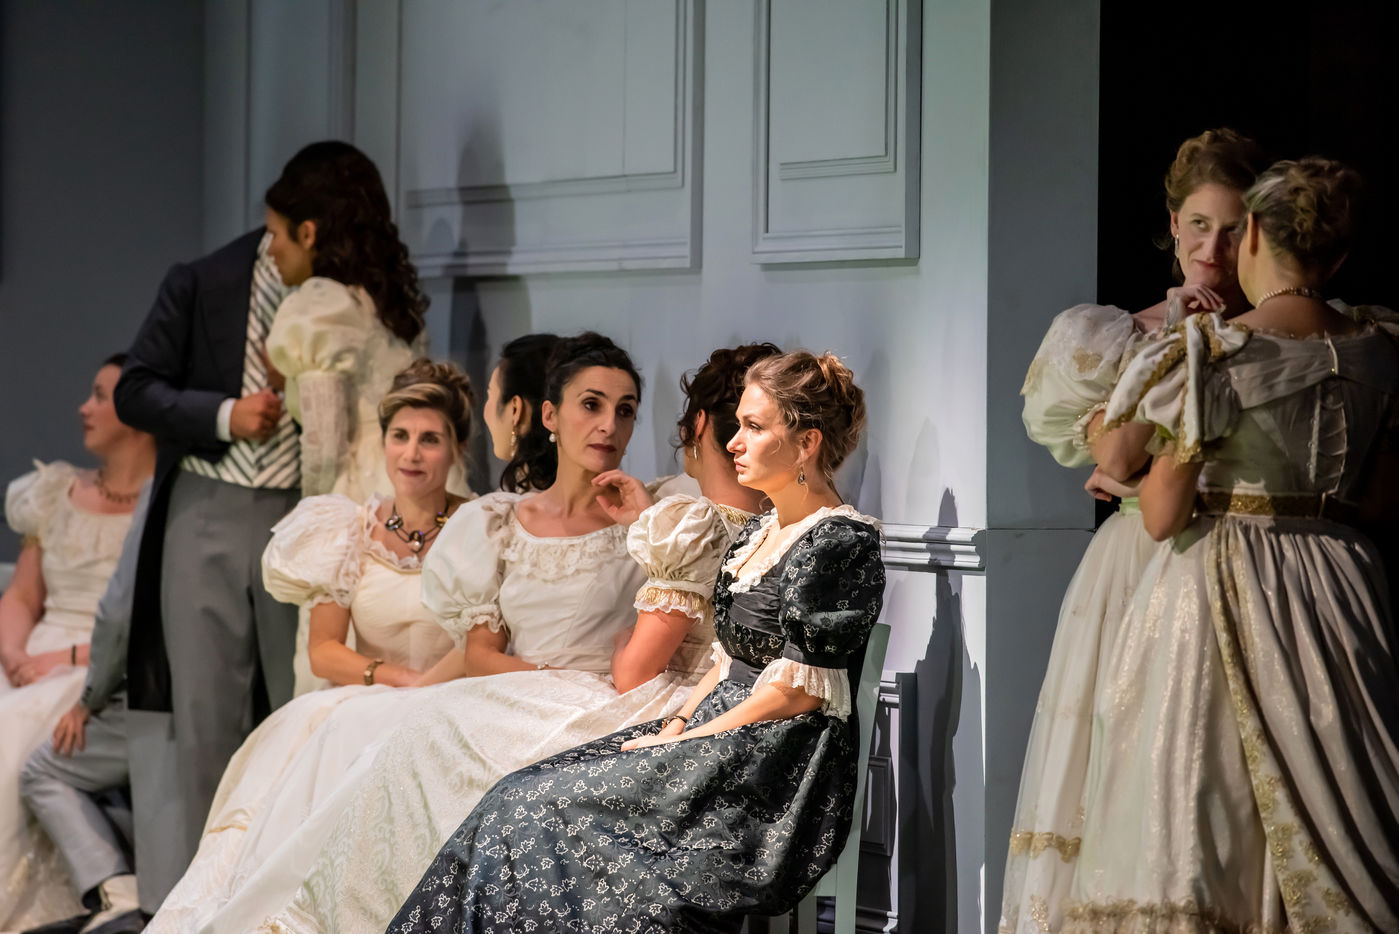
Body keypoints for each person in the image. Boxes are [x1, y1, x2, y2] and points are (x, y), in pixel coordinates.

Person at [198, 337, 771, 934]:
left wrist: (638, 531)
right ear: (548, 415)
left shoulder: (667, 512)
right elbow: (479, 654)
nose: (608, 424)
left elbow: (664, 631)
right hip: (530, 689)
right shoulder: (498, 522)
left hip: (614, 696)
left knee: (442, 748)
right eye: (591, 405)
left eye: (624, 410)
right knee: (390, 742)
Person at [385, 350, 886, 933]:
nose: (734, 443)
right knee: (513, 795)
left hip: (769, 765)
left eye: (754, 427)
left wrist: (690, 737)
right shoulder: (761, 530)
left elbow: (797, 693)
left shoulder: (838, 542)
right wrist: (678, 723)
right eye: (737, 425)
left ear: (806, 445)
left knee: (539, 809)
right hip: (716, 730)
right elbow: (726, 661)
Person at [1075, 158, 1399, 931]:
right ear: (1337, 256)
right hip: (1339, 583)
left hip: (1220, 581)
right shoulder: (1379, 350)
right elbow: (1382, 500)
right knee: (1338, 783)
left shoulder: (1218, 351)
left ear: (1252, 233)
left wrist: (1128, 480)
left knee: (1205, 794)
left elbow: (1161, 515)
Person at [1001, 128, 1264, 933]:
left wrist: (1130, 475)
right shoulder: (1115, 335)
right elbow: (1108, 454)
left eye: (1230, 229)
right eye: (1197, 225)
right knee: (1118, 760)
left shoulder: (1277, 337)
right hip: (1135, 561)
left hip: (1239, 563)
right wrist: (1171, 343)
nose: (1210, 249)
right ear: (1171, 222)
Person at [139, 361, 476, 934]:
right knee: (324, 759)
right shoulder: (347, 528)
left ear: (456, 449)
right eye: (400, 436)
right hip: (371, 696)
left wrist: (429, 688)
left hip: (456, 697)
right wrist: (399, 680)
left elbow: (485, 635)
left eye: (430, 439)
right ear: (383, 442)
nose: (412, 453)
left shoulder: (482, 527)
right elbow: (324, 651)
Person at [114, 214, 299, 909]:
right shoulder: (205, 279)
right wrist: (225, 413)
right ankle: (203, 901)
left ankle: (286, 898)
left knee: (302, 709)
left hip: (308, 508)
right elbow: (136, 389)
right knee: (204, 719)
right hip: (209, 498)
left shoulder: (354, 290)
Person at [0, 355, 154, 931]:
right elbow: (22, 595)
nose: (84, 408)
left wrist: (63, 661)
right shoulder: (54, 492)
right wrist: (14, 654)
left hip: (99, 665)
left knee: (13, 738)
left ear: (137, 416)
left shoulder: (162, 507)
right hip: (31, 655)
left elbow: (145, 625)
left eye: (100, 396)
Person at [261, 140, 432, 502]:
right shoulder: (387, 301)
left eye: (274, 234)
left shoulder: (320, 308)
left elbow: (325, 450)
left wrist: (311, 519)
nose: (270, 249)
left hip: (361, 494)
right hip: (413, 484)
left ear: (307, 233)